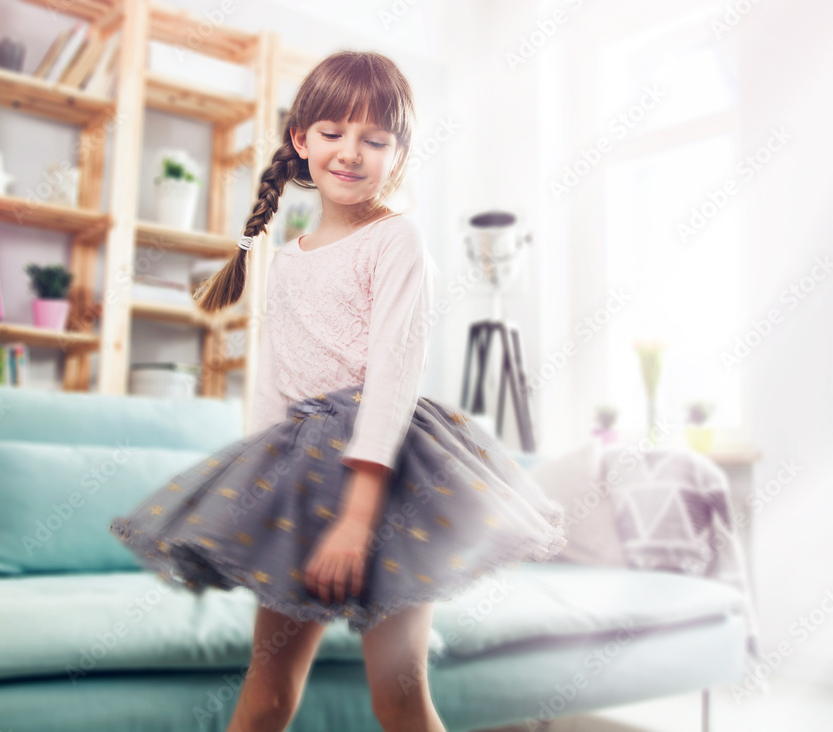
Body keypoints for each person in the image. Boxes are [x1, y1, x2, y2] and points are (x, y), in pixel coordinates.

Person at [109, 49, 567, 732]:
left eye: (374, 139)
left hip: (387, 490)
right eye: (332, 133)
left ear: (398, 153)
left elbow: (392, 379)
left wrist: (356, 519)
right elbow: (273, 388)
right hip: (300, 485)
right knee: (265, 695)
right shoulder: (288, 261)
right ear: (300, 139)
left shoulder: (398, 242)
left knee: (400, 699)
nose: (350, 153)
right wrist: (253, 504)